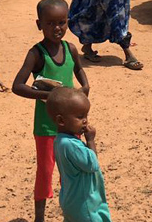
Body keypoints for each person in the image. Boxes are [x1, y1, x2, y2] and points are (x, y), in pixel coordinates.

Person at [12, 0, 91, 222]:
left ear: (68, 22)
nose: (57, 28)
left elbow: (79, 69)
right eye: (50, 23)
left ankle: (73, 211)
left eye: (62, 23)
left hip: (71, 124)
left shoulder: (71, 48)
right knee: (45, 173)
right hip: (46, 126)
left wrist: (85, 87)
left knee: (71, 170)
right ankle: (40, 218)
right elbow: (17, 86)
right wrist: (49, 95)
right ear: (40, 25)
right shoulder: (36, 54)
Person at [46, 87, 111, 222]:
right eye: (80, 117)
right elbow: (92, 164)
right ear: (61, 121)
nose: (85, 121)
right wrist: (91, 140)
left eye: (86, 116)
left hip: (71, 200)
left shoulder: (60, 140)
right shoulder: (71, 145)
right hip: (84, 204)